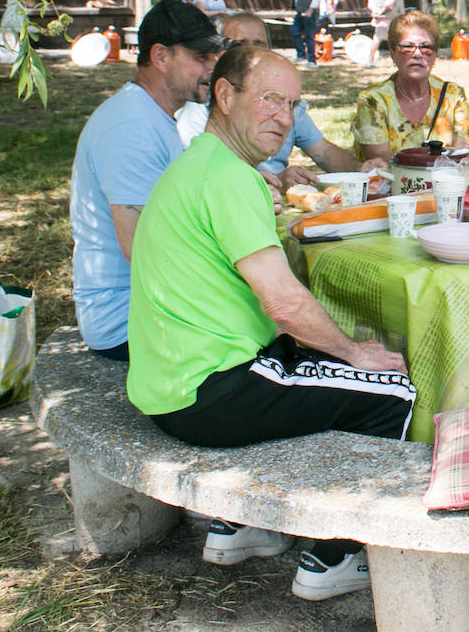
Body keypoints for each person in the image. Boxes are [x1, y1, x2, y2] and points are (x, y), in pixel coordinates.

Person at [126, 45, 415, 599]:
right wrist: (356, 353)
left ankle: (241, 525)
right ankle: (333, 558)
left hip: (168, 379)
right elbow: (283, 303)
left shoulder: (203, 162)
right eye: (269, 99)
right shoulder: (230, 178)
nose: (283, 117)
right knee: (392, 390)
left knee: (313, 361)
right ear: (225, 94)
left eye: (293, 104)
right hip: (206, 393)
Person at [69, 0, 226, 359]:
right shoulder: (132, 127)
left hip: (155, 307)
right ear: (160, 57)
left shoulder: (153, 116)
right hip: (127, 323)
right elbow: (142, 249)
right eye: (201, 56)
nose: (212, 67)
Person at [175, 15, 371, 187]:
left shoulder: (288, 104)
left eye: (258, 44)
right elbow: (207, 176)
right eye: (239, 45)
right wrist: (275, 180)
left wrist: (361, 169)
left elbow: (322, 151)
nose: (285, 119)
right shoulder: (199, 110)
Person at [352, 10, 469, 164]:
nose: (417, 54)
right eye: (408, 47)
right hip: (391, 186)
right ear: (393, 53)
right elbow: (380, 158)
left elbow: (463, 152)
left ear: (435, 55)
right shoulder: (373, 100)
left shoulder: (453, 94)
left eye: (426, 47)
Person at [264, 0, 323, 70]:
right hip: (300, 12)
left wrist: (310, 10)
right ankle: (301, 55)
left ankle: (312, 60)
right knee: (295, 31)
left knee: (310, 37)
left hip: (309, 13)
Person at [365, 0, 403, 68]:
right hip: (391, 16)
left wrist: (374, 11)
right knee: (395, 39)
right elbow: (391, 2)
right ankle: (396, 62)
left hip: (379, 17)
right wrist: (382, 11)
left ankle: (370, 61)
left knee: (377, 38)